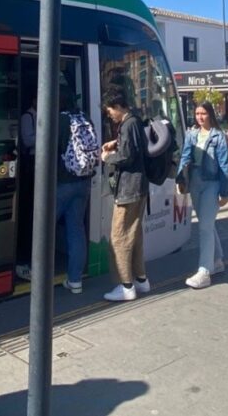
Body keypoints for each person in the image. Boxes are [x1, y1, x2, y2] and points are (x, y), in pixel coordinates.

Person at [101, 89, 151, 302]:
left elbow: (128, 156)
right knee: (134, 235)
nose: (109, 114)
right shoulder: (135, 121)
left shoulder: (128, 124)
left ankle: (126, 285)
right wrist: (116, 142)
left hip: (129, 189)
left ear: (119, 106)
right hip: (139, 187)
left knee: (119, 237)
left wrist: (108, 157)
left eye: (110, 110)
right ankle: (141, 280)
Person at [176, 102, 228, 289]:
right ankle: (217, 260)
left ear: (210, 115)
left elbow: (224, 165)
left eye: (203, 113)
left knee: (205, 227)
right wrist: (180, 180)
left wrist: (224, 192)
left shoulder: (219, 136)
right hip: (194, 182)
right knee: (206, 223)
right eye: (197, 113)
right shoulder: (191, 135)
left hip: (212, 183)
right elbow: (185, 157)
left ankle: (204, 271)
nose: (200, 117)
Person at [54, 92, 95, 295]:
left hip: (62, 183)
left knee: (43, 228)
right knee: (76, 229)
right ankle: (75, 280)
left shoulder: (59, 120)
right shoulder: (85, 118)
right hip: (84, 182)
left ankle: (38, 274)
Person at [15, 97, 37, 281]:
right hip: (31, 167)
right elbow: (27, 140)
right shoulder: (27, 117)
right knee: (28, 213)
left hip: (38, 165)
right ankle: (24, 261)